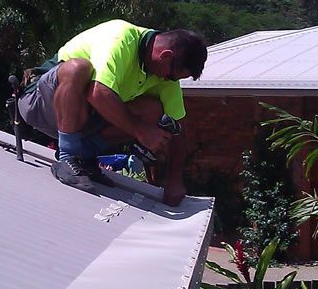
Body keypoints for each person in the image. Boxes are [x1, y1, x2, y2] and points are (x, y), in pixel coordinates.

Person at [18, 20, 207, 206]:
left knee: (153, 110)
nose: (169, 80)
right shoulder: (120, 38)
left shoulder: (164, 78)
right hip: (39, 104)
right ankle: (68, 157)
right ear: (165, 56)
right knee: (78, 68)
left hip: (81, 119)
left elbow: (178, 129)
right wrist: (141, 131)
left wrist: (174, 181)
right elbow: (98, 93)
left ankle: (83, 156)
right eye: (172, 76)